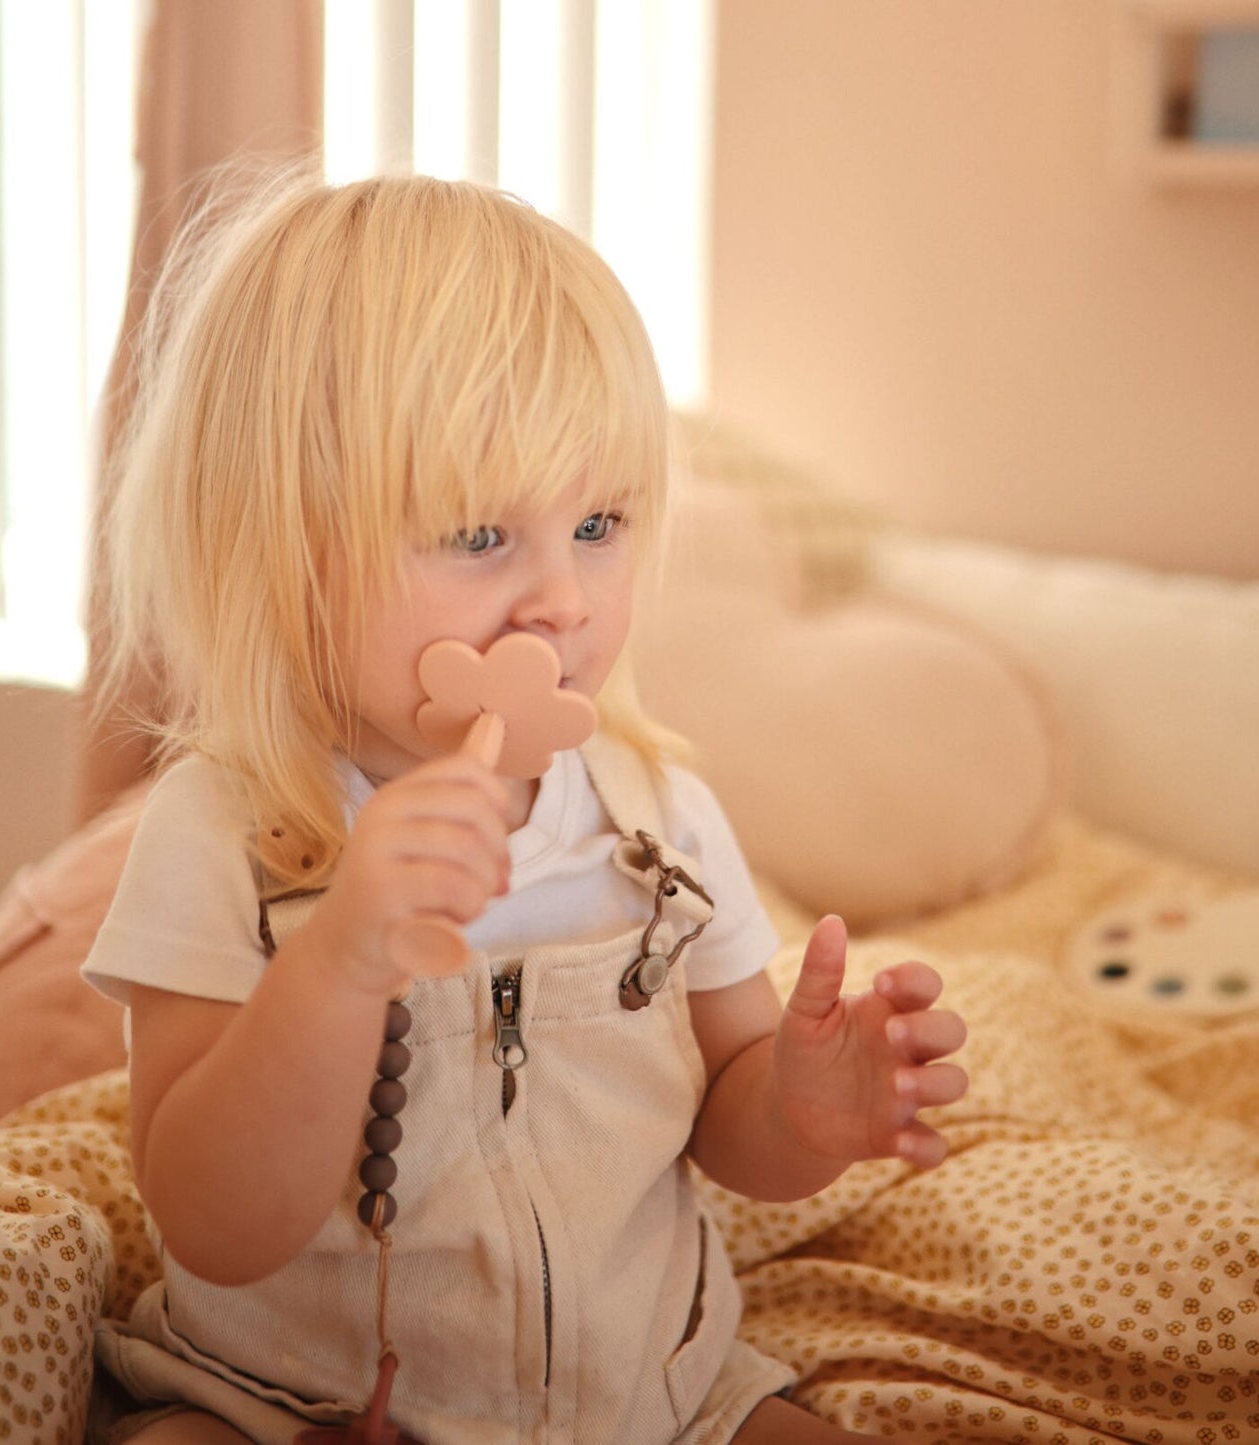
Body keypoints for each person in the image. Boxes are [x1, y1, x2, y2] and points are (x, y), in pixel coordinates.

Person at [82, 170, 968, 1445]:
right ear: (281, 546)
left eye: (598, 522)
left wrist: (800, 1109)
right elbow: (216, 1227)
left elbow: (727, 1117)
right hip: (293, 1405)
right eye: (480, 535)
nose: (563, 597)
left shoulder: (652, 817)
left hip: (648, 1400)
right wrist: (340, 956)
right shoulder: (224, 835)